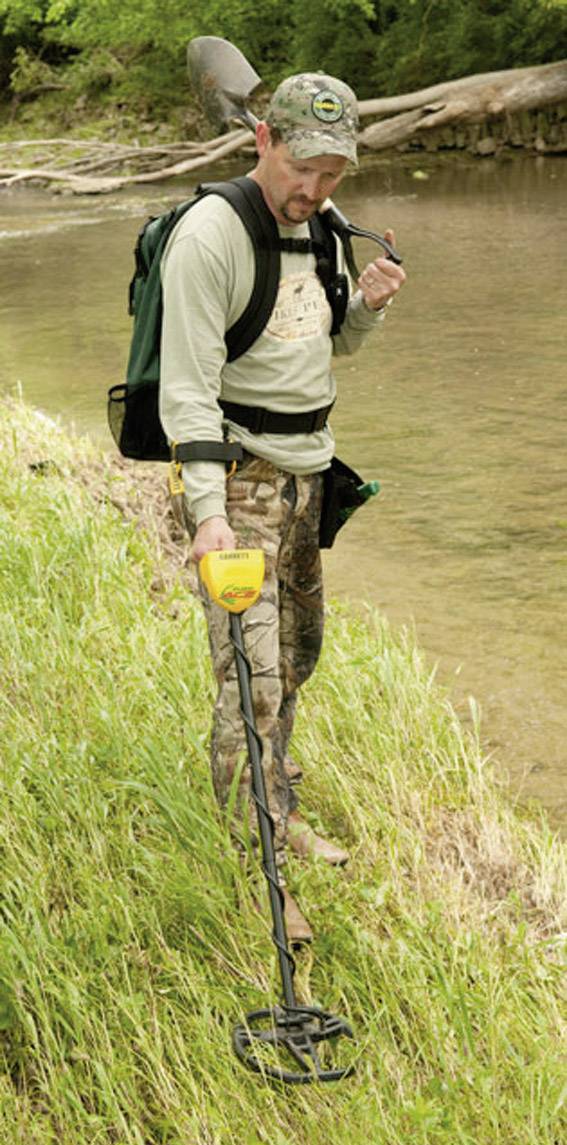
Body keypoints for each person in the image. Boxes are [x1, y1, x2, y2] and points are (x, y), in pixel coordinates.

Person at [160, 72, 406, 944]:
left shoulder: (326, 229)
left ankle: (278, 807)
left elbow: (319, 345)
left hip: (307, 477)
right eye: (302, 166)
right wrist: (207, 513)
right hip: (237, 482)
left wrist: (368, 309)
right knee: (250, 680)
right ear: (262, 139)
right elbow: (186, 391)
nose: (313, 189)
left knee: (296, 656)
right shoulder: (209, 236)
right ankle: (254, 862)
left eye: (333, 173)